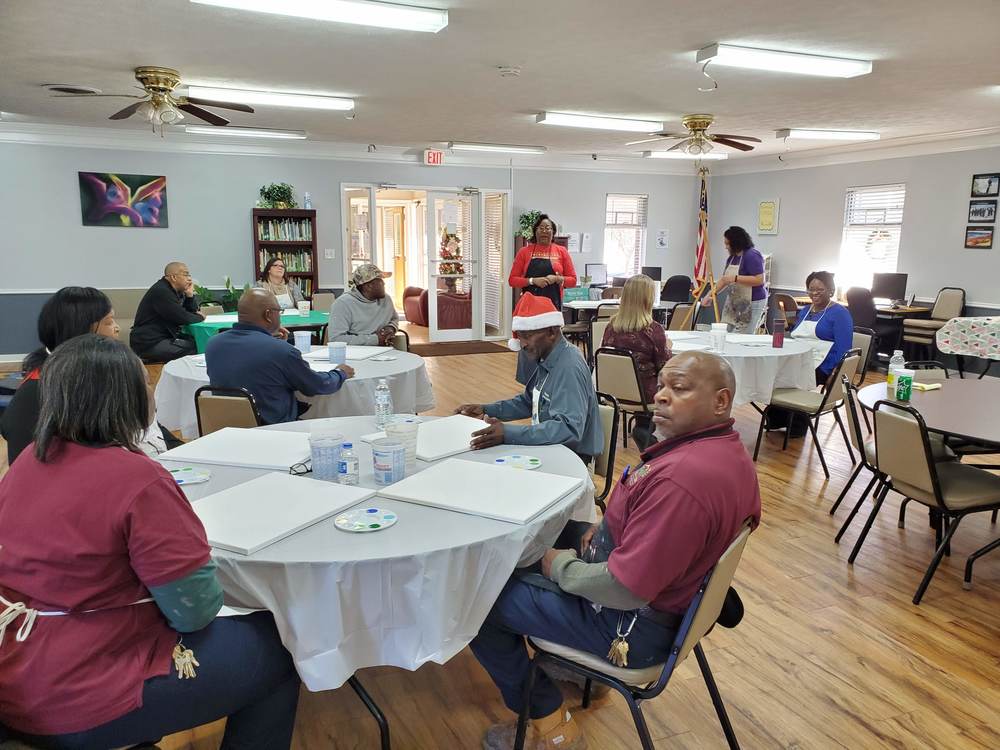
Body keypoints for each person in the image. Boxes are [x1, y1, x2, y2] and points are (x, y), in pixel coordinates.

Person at [0, 335, 300, 749]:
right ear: (125, 398)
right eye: (145, 383)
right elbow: (194, 611)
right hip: (81, 692)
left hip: (17, 668)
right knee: (284, 645)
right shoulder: (137, 480)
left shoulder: (30, 460)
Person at [469, 351, 761, 750]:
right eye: (660, 386)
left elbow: (626, 588)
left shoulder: (684, 483)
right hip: (663, 600)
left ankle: (549, 723)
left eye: (679, 388)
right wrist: (605, 530)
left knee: (477, 600)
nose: (660, 396)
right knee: (545, 529)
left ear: (721, 401)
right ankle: (573, 666)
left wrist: (561, 568)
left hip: (629, 627)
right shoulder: (722, 452)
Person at [1, 286, 179, 465]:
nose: (117, 328)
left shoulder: (91, 373)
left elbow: (150, 429)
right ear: (81, 332)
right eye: (109, 322)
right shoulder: (40, 392)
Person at [455, 294, 602, 465]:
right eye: (520, 336)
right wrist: (486, 409)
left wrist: (509, 434)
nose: (522, 344)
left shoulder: (568, 367)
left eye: (527, 336)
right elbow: (528, 402)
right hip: (553, 449)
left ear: (552, 332)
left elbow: (568, 429)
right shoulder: (548, 358)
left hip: (573, 460)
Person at [206, 288, 354, 425]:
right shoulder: (282, 351)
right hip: (272, 428)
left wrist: (273, 341)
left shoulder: (213, 344)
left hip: (225, 428)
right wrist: (339, 373)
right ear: (268, 315)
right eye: (279, 311)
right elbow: (316, 385)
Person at [600, 274, 672, 449]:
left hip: (612, 391)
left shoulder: (611, 326)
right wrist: (668, 347)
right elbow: (665, 367)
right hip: (644, 396)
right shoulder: (653, 330)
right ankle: (649, 431)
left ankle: (644, 429)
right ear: (648, 298)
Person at [508, 214, 577, 383]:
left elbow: (573, 280)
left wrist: (558, 279)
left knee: (551, 346)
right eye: (541, 228)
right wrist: (532, 281)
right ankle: (528, 385)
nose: (545, 231)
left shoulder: (561, 252)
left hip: (552, 308)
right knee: (529, 344)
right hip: (529, 309)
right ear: (535, 231)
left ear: (553, 232)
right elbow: (513, 280)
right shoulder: (525, 252)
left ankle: (553, 381)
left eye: (548, 228)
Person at [130, 262, 205, 362]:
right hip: (149, 343)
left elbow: (190, 313)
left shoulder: (175, 290)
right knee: (196, 347)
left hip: (164, 337)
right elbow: (183, 318)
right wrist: (201, 317)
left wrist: (190, 296)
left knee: (198, 342)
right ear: (173, 277)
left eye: (189, 275)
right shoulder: (161, 291)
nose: (189, 279)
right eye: (185, 274)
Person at [791, 270, 853, 386]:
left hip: (822, 366)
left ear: (831, 291)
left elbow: (844, 349)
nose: (814, 293)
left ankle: (784, 403)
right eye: (811, 289)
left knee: (786, 380)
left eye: (820, 290)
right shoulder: (805, 311)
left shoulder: (840, 313)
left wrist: (835, 373)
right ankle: (777, 403)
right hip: (797, 361)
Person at [328, 263, 399, 346]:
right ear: (368, 286)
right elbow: (336, 339)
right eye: (380, 280)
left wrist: (391, 328)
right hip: (356, 353)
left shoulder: (386, 299)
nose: (384, 283)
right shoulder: (343, 304)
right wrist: (375, 339)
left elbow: (394, 319)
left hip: (385, 352)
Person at [716, 226, 768, 334]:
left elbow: (759, 280)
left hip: (752, 301)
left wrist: (735, 278)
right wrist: (710, 295)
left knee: (741, 334)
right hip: (734, 301)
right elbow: (724, 280)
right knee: (724, 331)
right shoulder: (732, 258)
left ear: (736, 243)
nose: (726, 247)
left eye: (727, 244)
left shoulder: (752, 255)